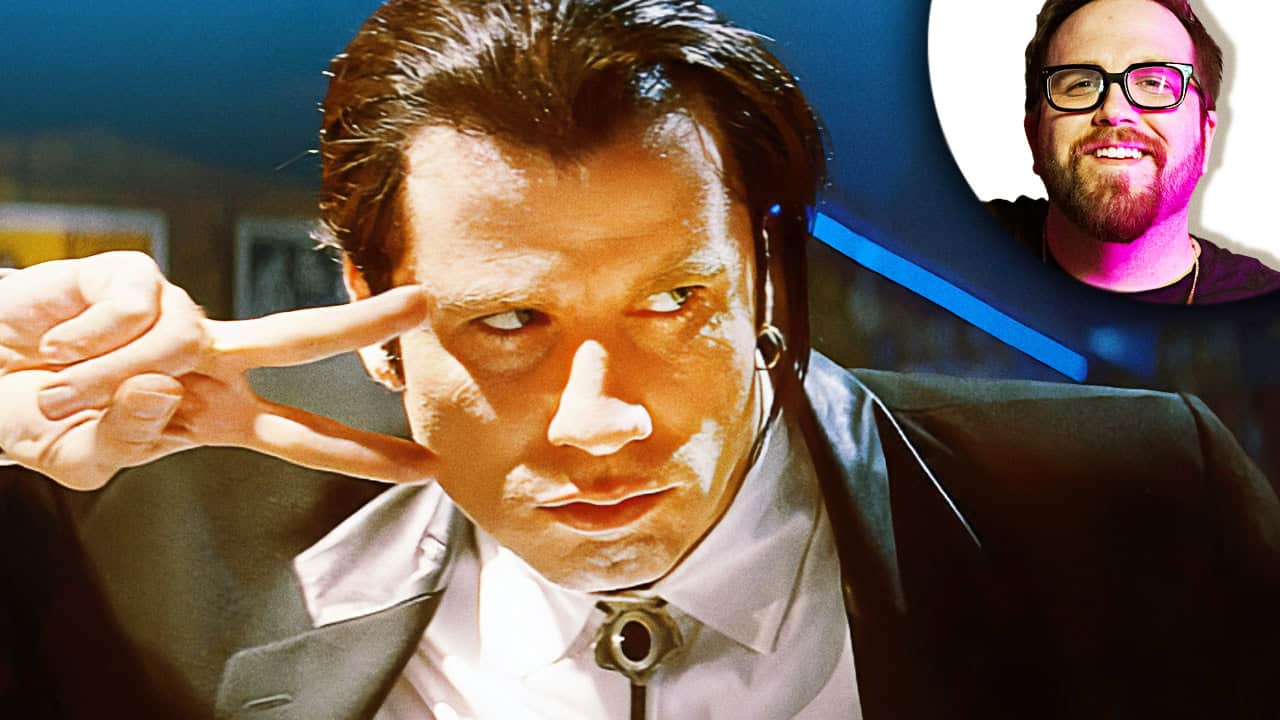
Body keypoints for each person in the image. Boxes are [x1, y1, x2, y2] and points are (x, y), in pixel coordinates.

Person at [1, 1, 1278, 718]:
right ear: (370, 314)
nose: (600, 421)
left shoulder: (1132, 507)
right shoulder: (139, 520)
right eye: (509, 323)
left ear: (764, 276)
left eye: (673, 302)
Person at [987, 0, 1280, 304]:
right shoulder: (961, 248)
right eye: (1081, 84)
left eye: (1155, 82)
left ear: (1205, 136)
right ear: (1034, 136)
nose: (1115, 111)